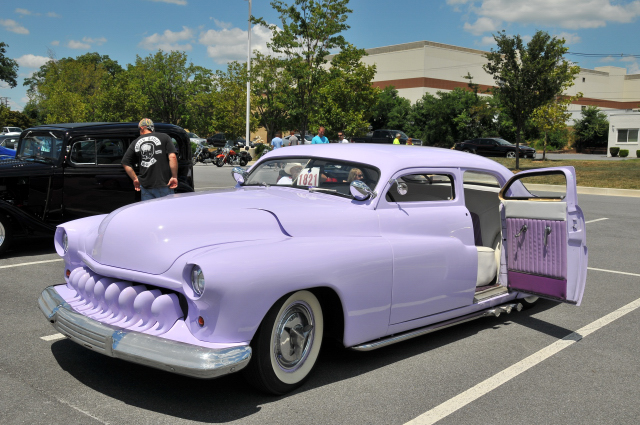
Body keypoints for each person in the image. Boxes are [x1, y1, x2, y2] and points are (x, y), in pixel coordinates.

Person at [122, 118, 178, 201]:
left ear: (141, 128)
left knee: (149, 212)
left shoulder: (135, 142)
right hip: (164, 183)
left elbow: (125, 162)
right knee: (166, 211)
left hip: (145, 185)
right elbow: (172, 157)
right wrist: (174, 176)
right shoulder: (164, 137)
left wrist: (135, 179)